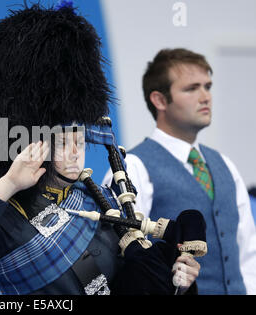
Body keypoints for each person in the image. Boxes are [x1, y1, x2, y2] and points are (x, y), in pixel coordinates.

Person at [0, 3, 200, 295]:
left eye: (80, 141)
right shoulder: (7, 220)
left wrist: (180, 280)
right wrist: (10, 181)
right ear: (32, 146)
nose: (75, 152)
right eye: (62, 142)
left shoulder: (98, 197)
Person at [103, 48, 256, 294]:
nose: (205, 96)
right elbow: (122, 260)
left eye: (207, 86)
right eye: (191, 88)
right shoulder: (131, 166)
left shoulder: (225, 164)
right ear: (160, 100)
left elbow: (248, 251)